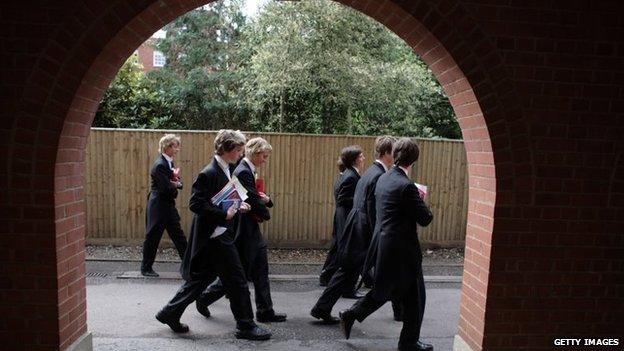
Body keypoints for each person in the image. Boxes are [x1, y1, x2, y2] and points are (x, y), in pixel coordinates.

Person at [154, 130, 272, 341]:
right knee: (237, 280)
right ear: (227, 149)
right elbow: (195, 204)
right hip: (217, 236)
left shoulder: (226, 168)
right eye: (238, 149)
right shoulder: (209, 172)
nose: (240, 153)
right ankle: (245, 326)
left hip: (218, 235)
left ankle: (169, 312)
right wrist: (223, 213)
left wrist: (239, 204)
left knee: (201, 280)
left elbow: (222, 197)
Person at [339, 138, 434, 351]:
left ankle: (350, 314)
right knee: (416, 296)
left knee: (386, 290)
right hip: (403, 250)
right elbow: (425, 218)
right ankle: (408, 343)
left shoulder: (384, 178)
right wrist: (421, 199)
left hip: (383, 245)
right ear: (414, 160)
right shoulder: (407, 186)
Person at [196, 137, 287, 323]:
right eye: (264, 155)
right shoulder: (243, 171)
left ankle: (265, 310)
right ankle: (205, 297)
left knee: (260, 269)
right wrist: (266, 210)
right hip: (244, 229)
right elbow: (252, 198)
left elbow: (252, 197)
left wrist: (267, 201)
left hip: (249, 227)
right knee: (239, 273)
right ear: (253, 153)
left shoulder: (246, 170)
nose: (265, 160)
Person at [310, 136, 396, 323]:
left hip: (356, 228)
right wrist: (378, 235)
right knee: (352, 271)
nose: (395, 155)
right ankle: (326, 309)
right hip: (362, 232)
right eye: (394, 152)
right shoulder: (378, 174)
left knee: (348, 271)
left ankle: (322, 308)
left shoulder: (370, 172)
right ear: (387, 153)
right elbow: (373, 210)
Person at [141, 134, 188, 277]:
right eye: (175, 146)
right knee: (153, 237)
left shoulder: (169, 163)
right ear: (167, 147)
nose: (177, 149)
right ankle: (146, 268)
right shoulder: (160, 164)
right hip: (158, 206)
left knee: (179, 236)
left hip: (167, 205)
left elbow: (176, 183)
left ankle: (188, 267)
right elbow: (166, 188)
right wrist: (175, 186)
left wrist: (176, 184)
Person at [319, 145, 364, 287]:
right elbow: (343, 199)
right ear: (355, 159)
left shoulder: (348, 174)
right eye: (361, 156)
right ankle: (330, 277)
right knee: (344, 248)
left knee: (338, 247)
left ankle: (326, 276)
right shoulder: (351, 176)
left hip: (342, 215)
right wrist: (360, 199)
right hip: (345, 216)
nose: (363, 158)